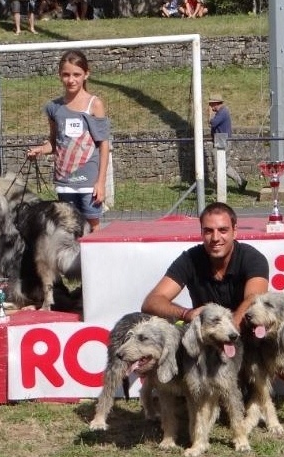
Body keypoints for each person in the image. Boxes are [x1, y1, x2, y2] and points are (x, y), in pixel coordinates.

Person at [141, 202, 269, 328]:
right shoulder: (190, 259)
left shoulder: (253, 259)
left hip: (245, 337)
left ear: (234, 231)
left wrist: (229, 329)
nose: (215, 238)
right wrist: (186, 314)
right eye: (208, 231)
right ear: (201, 233)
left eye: (222, 230)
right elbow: (151, 302)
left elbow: (254, 301)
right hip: (206, 340)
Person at [27, 49, 110, 233]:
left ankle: (94, 262)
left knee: (92, 226)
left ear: (86, 74)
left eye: (76, 74)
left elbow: (104, 144)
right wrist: (40, 150)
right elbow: (54, 143)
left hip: (89, 181)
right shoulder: (53, 108)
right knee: (68, 227)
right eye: (66, 74)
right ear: (60, 75)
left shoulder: (94, 104)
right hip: (65, 181)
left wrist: (101, 182)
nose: (71, 79)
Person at [208, 94, 246, 191]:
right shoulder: (221, 112)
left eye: (211, 104)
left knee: (218, 165)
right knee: (224, 166)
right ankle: (240, 181)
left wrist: (210, 115)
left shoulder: (222, 112)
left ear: (216, 103)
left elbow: (213, 123)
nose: (211, 107)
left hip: (221, 139)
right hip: (220, 139)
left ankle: (219, 189)